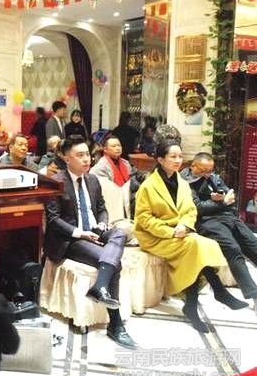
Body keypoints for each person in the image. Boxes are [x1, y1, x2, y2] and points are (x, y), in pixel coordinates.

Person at [134, 142, 246, 333]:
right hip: (155, 236)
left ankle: (192, 305)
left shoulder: (183, 183)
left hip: (181, 233)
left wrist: (185, 226)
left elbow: (190, 210)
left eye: (180, 156)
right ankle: (218, 291)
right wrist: (170, 232)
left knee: (200, 246)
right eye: (173, 157)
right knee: (195, 244)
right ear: (160, 159)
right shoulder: (148, 186)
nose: (178, 160)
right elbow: (144, 219)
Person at [44, 135, 136, 349]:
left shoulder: (93, 180)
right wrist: (80, 233)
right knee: (115, 264)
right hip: (70, 238)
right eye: (80, 155)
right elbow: (53, 220)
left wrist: (103, 223)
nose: (86, 159)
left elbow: (102, 208)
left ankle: (100, 286)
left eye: (87, 154)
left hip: (95, 230)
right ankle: (116, 324)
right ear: (66, 158)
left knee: (119, 233)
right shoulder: (56, 182)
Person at [181, 152, 257, 310]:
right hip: (207, 221)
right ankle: (255, 295)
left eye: (210, 170)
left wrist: (224, 198)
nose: (206, 174)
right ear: (193, 165)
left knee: (253, 245)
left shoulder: (213, 177)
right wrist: (220, 202)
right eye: (203, 170)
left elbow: (228, 195)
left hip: (228, 217)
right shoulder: (184, 181)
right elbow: (196, 208)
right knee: (233, 249)